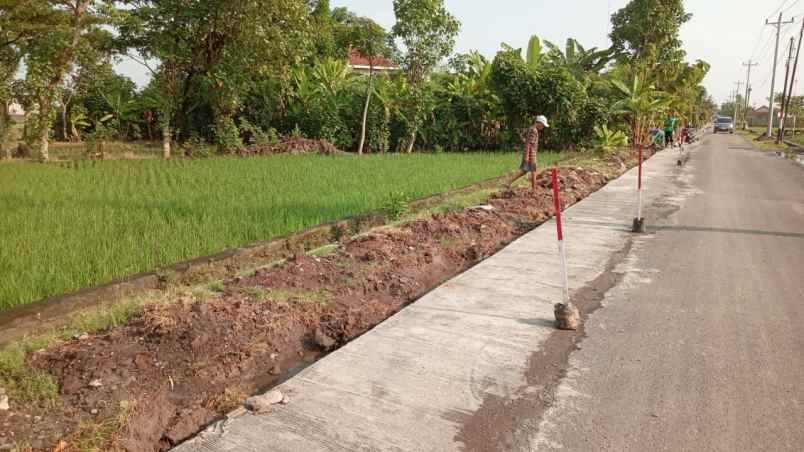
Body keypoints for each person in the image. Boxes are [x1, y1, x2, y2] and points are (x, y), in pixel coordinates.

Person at [507, 115, 549, 189]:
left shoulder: (532, 129)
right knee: (533, 171)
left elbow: (527, 142)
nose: (543, 127)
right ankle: (534, 189)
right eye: (543, 125)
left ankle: (508, 182)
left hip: (531, 154)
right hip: (531, 155)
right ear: (539, 123)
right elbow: (529, 143)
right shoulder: (534, 130)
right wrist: (527, 156)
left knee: (525, 171)